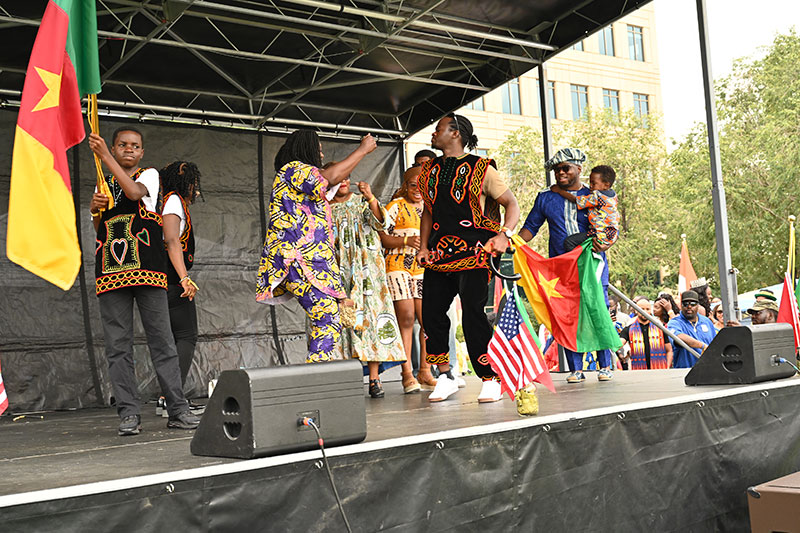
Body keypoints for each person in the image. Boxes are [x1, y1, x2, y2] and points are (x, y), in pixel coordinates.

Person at [88, 128, 199, 436]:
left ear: (142, 152)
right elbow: (100, 226)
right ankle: (128, 413)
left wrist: (105, 157)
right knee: (117, 346)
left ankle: (177, 409)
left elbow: (135, 194)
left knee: (162, 341)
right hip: (110, 270)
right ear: (114, 147)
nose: (129, 149)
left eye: (134, 146)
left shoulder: (149, 175)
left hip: (148, 269)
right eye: (122, 145)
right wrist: (94, 209)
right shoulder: (103, 181)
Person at [416, 113, 520, 403]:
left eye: (438, 129)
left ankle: (490, 378)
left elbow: (511, 204)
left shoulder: (482, 168)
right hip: (439, 253)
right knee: (431, 313)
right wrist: (423, 247)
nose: (433, 134)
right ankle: (446, 376)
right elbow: (428, 213)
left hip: (476, 252)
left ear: (455, 133)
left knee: (473, 314)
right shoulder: (429, 171)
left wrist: (504, 235)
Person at [256, 130, 377, 363]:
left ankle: (318, 371)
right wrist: (362, 150)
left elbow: (330, 181)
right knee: (327, 316)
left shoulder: (300, 178)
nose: (321, 154)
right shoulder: (293, 169)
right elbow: (329, 177)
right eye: (318, 149)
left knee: (328, 317)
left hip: (310, 260)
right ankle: (317, 374)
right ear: (306, 149)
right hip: (298, 258)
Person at [518, 148, 616, 383]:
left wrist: (607, 242)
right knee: (568, 315)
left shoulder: (596, 194)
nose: (560, 173)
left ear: (578, 169)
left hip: (592, 265)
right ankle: (576, 369)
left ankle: (605, 365)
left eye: (565, 168)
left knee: (597, 310)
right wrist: (512, 242)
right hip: (561, 269)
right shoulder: (545, 197)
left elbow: (612, 223)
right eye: (556, 169)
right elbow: (531, 227)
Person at [328, 170, 407, 398]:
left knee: (371, 320)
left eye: (346, 177)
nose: (343, 182)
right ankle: (345, 381)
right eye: (338, 178)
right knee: (341, 322)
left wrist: (371, 196)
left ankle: (374, 379)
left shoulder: (362, 201)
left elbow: (381, 222)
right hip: (338, 271)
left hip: (366, 269)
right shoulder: (323, 208)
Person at [380, 166, 438, 393]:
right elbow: (381, 236)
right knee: (406, 317)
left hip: (422, 267)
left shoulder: (431, 207)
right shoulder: (395, 206)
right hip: (397, 264)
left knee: (427, 319)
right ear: (405, 185)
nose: (417, 190)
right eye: (413, 185)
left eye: (422, 185)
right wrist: (405, 241)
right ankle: (406, 374)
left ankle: (425, 370)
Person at [154, 161, 203, 417]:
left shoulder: (170, 201)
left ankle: (169, 397)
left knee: (174, 339)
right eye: (193, 183)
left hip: (167, 281)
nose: (196, 190)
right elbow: (172, 240)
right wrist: (184, 278)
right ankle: (170, 398)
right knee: (186, 336)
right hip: (171, 281)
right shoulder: (173, 202)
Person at [549, 164, 619, 252]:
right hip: (610, 234)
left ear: (606, 185)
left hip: (599, 233)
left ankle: (579, 259)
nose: (590, 186)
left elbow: (576, 200)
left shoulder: (597, 197)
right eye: (590, 182)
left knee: (569, 242)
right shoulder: (613, 196)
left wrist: (559, 191)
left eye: (593, 183)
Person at [666, 290, 717, 368]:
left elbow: (715, 344)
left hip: (707, 369)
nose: (689, 306)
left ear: (698, 305)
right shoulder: (674, 323)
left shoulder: (706, 322)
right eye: (685, 304)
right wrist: (702, 346)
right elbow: (678, 337)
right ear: (681, 305)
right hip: (685, 371)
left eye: (693, 304)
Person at [619, 298, 673, 370]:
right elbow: (618, 344)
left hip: (659, 371)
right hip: (639, 372)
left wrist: (667, 367)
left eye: (648, 309)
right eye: (642, 309)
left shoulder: (660, 328)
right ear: (636, 310)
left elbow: (669, 350)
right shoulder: (629, 329)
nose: (645, 312)